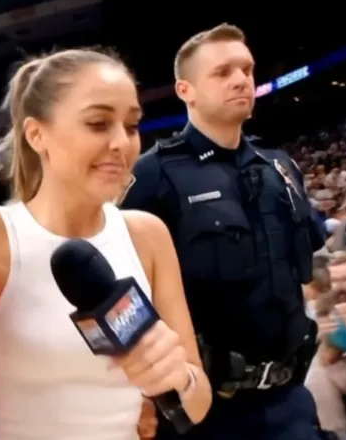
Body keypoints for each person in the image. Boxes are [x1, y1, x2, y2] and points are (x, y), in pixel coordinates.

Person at [0, 48, 212, 439]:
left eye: (132, 126)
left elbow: (197, 405)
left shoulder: (148, 235)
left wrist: (178, 377)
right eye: (98, 124)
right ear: (37, 135)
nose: (122, 143)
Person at [121, 23, 325, 440]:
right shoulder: (152, 175)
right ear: (186, 90)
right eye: (222, 72)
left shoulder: (281, 168)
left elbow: (304, 267)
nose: (240, 80)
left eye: (247, 70)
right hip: (206, 413)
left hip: (290, 400)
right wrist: (138, 392)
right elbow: (127, 296)